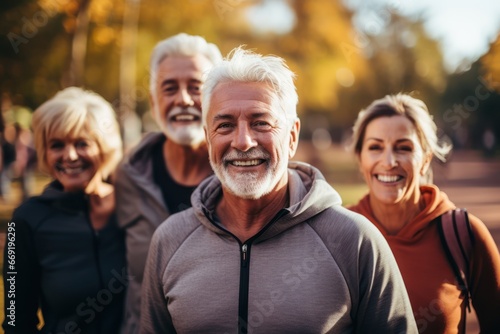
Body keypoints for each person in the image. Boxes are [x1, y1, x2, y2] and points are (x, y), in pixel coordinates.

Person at [139, 47, 418, 333]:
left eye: (261, 122)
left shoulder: (355, 241)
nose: (243, 141)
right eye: (225, 125)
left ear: (292, 136)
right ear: (209, 141)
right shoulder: (169, 241)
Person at [347, 93, 500, 333]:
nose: (388, 161)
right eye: (375, 147)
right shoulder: (337, 233)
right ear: (360, 158)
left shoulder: (465, 233)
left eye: (404, 148)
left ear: (426, 160)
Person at [114, 33, 223, 333]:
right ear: (153, 101)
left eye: (195, 87)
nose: (183, 99)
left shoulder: (240, 179)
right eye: (170, 88)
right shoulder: (127, 176)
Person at [2, 87, 126, 333]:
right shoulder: (25, 221)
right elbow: (17, 320)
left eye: (82, 143)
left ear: (104, 146)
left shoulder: (133, 207)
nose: (69, 156)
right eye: (57, 145)